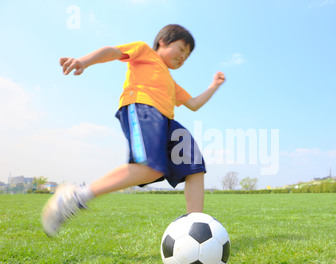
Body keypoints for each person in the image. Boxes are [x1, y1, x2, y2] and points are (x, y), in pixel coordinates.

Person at [42, 24, 225, 237]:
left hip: (167, 121)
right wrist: (85, 60)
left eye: (187, 56)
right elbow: (112, 51)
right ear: (163, 42)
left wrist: (214, 85)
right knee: (150, 166)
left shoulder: (171, 82)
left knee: (193, 164)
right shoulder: (144, 50)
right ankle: (76, 197)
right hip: (143, 109)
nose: (183, 57)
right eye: (181, 49)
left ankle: (195, 228)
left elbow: (193, 104)